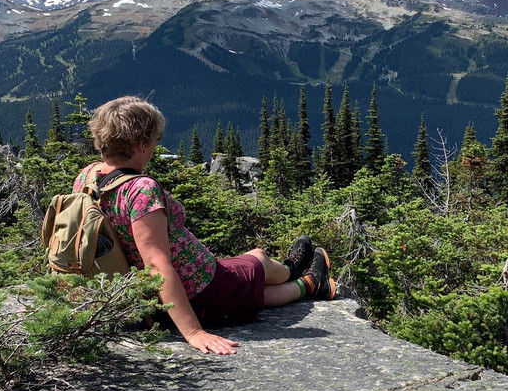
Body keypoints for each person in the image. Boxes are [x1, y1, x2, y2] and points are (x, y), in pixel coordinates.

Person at [77, 96, 336, 355]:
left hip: (156, 296)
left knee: (250, 278)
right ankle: (308, 281)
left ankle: (297, 272)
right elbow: (156, 264)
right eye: (155, 141)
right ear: (142, 144)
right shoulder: (140, 190)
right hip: (198, 291)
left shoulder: (89, 177)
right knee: (258, 258)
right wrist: (193, 331)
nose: (155, 147)